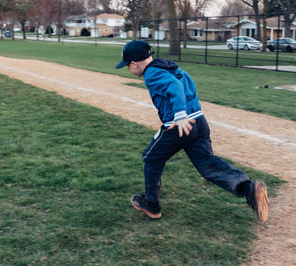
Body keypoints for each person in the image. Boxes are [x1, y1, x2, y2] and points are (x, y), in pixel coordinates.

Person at [115, 39, 269, 222]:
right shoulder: (169, 67)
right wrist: (189, 110)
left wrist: (180, 114)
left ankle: (151, 204)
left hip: (178, 126)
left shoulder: (151, 73)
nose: (129, 69)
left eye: (127, 66)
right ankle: (249, 189)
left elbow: (175, 87)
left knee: (150, 158)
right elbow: (187, 83)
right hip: (198, 121)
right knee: (207, 164)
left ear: (134, 64)